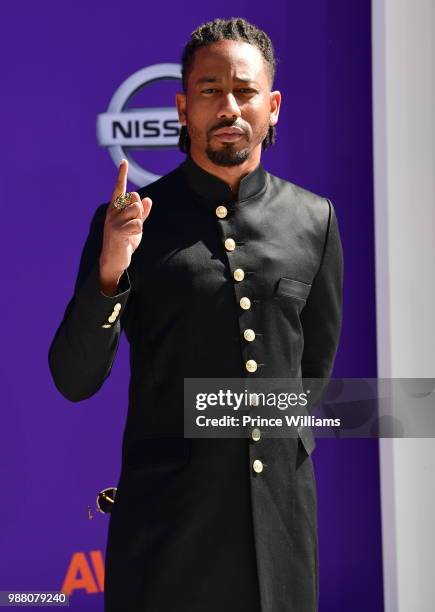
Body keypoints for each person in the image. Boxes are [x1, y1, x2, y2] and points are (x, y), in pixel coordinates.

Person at [49, 17, 343, 612]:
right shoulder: (132, 225)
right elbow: (74, 379)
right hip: (165, 537)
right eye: (210, 91)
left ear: (273, 105)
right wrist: (110, 271)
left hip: (278, 535)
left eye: (244, 91)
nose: (228, 106)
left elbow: (312, 376)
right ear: (183, 107)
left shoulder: (316, 221)